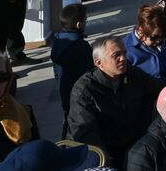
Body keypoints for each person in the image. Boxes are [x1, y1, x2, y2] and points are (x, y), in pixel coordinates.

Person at [67, 37, 160, 170]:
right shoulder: (84, 90)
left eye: (124, 53)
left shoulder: (133, 74)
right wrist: (107, 163)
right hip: (104, 151)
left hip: (134, 145)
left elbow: (160, 89)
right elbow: (85, 133)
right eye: (116, 55)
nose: (123, 58)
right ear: (99, 63)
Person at [49, 3, 92, 124]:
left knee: (69, 119)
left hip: (65, 90)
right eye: (85, 20)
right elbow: (89, 72)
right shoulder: (81, 47)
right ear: (79, 24)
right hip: (81, 92)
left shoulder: (57, 42)